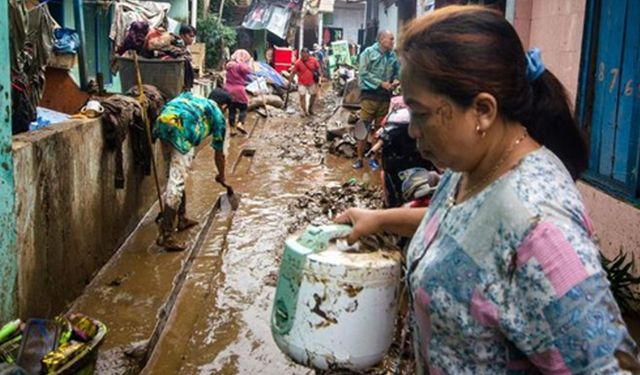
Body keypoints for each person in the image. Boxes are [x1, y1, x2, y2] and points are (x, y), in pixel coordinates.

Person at [335, 6, 640, 373]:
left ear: (482, 110)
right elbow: (462, 226)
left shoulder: (541, 228)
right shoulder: (472, 164)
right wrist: (380, 219)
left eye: (420, 112)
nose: (412, 130)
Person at [153, 91, 227, 251]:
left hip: (163, 122)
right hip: (182, 129)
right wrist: (221, 176)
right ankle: (166, 236)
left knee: (176, 172)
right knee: (177, 180)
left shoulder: (195, 99)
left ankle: (182, 218)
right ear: (225, 106)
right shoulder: (218, 114)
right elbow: (219, 152)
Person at [353, 30, 400, 170]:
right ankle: (359, 159)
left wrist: (397, 80)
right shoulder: (368, 53)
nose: (393, 41)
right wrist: (381, 83)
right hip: (369, 96)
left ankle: (373, 158)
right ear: (381, 39)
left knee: (379, 130)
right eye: (391, 39)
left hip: (385, 97)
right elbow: (363, 72)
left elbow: (398, 72)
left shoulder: (392, 56)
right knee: (363, 128)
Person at [224, 49, 253, 135]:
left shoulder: (229, 65)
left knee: (231, 109)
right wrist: (250, 62)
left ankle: (232, 129)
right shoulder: (240, 65)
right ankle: (240, 123)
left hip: (228, 90)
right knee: (243, 108)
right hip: (239, 90)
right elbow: (248, 70)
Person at [290, 48, 321, 117]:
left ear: (308, 55)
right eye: (302, 56)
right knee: (302, 96)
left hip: (312, 81)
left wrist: (319, 76)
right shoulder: (298, 62)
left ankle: (310, 108)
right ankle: (304, 110)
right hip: (302, 82)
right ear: (301, 55)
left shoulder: (314, 60)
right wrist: (290, 81)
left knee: (313, 95)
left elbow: (318, 67)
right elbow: (293, 72)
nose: (304, 58)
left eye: (305, 56)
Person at [178, 24, 197, 90]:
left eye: (193, 37)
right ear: (182, 35)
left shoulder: (186, 49)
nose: (192, 39)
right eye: (190, 36)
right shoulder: (178, 45)